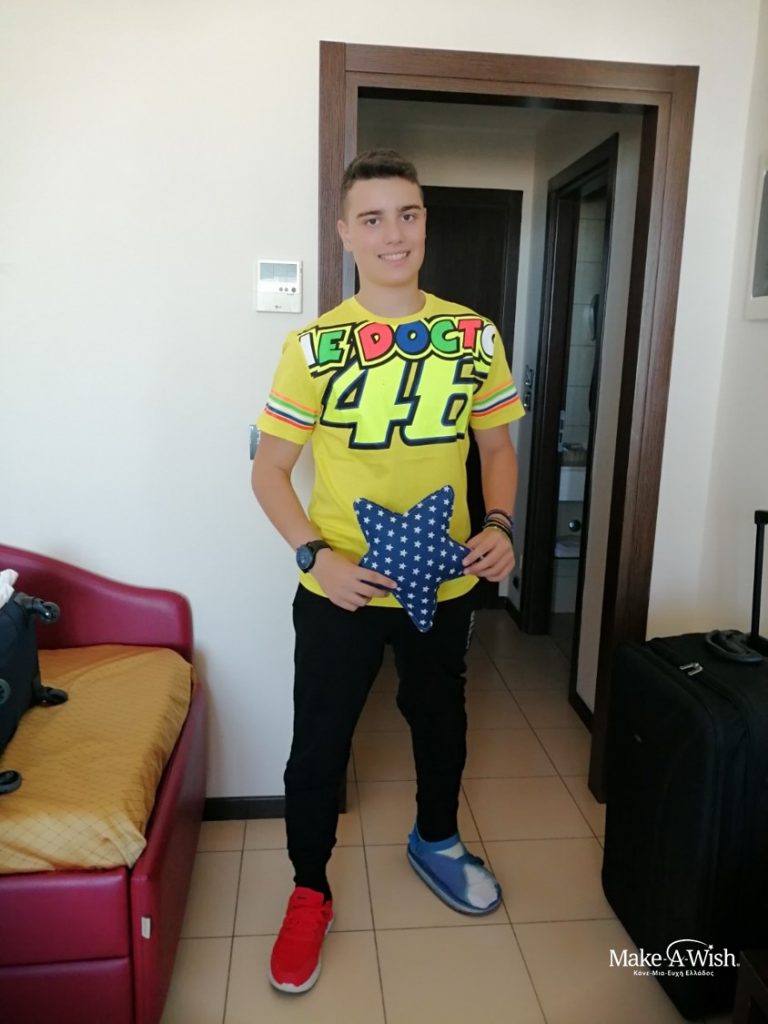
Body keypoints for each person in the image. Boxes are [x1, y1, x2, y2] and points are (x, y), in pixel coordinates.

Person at [251, 149, 524, 994]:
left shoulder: (474, 334)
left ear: (425, 222)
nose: (392, 233)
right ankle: (309, 888)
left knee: (440, 720)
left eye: (406, 214)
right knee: (319, 743)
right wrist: (314, 555)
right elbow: (269, 470)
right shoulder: (313, 346)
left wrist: (501, 523)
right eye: (372, 218)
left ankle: (435, 838)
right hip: (341, 586)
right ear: (345, 232)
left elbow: (497, 448)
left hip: (444, 582)